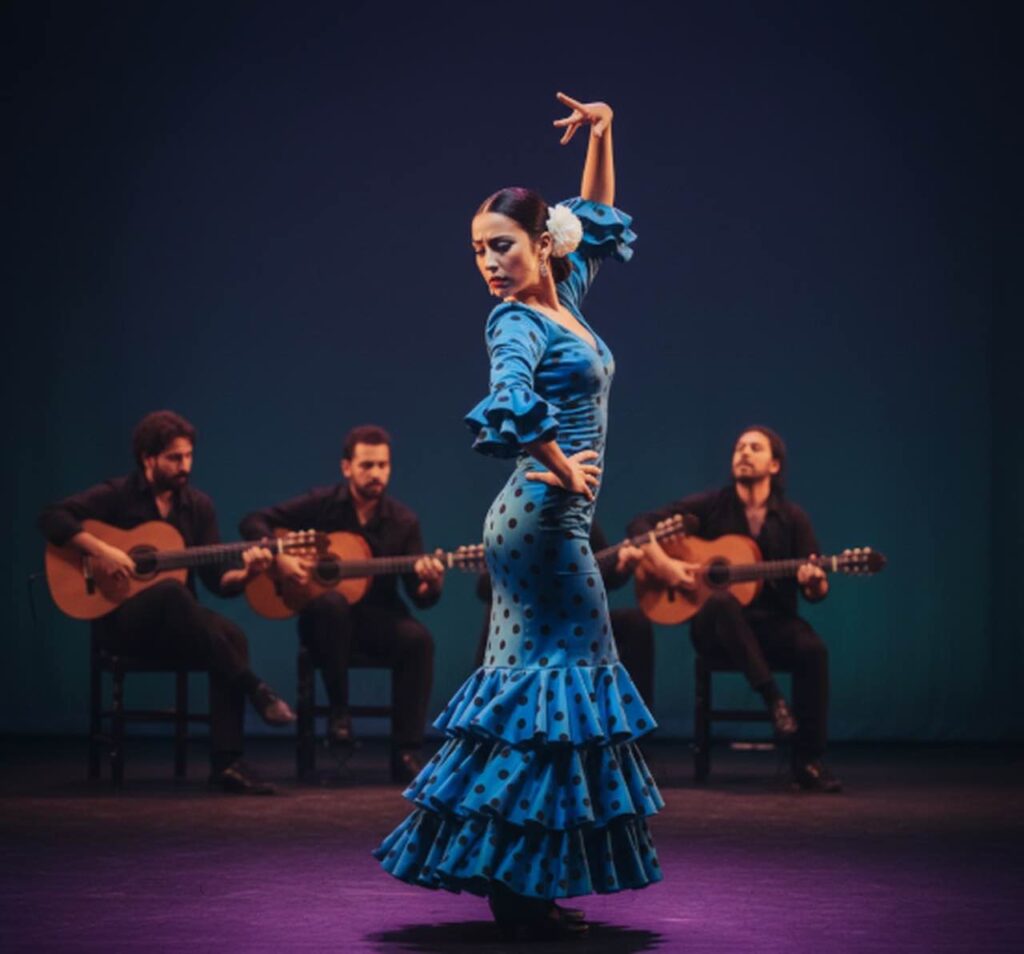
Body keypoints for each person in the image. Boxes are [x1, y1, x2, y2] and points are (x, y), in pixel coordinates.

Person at [376, 92, 663, 939]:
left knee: (544, 688)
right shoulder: (515, 324)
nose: (488, 264)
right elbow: (509, 405)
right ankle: (518, 882)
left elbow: (593, 217)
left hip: (539, 522)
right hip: (542, 522)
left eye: (500, 246)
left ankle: (520, 878)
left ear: (544, 245)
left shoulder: (564, 292)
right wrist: (555, 462)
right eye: (477, 251)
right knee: (563, 688)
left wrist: (605, 133)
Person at [38, 410, 295, 795]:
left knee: (233, 634)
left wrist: (249, 573)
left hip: (180, 626)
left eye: (189, 456)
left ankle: (227, 764)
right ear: (148, 458)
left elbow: (217, 581)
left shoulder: (197, 507)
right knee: (172, 594)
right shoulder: (117, 495)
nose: (184, 466)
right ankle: (254, 687)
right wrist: (104, 551)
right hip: (123, 624)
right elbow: (51, 517)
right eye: (175, 458)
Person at [628, 426, 842, 793]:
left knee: (813, 650)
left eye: (755, 448)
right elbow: (639, 525)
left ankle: (808, 761)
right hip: (715, 630)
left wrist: (815, 581)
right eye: (739, 447)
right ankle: (774, 699)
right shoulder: (712, 506)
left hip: (773, 625)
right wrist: (665, 565)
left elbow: (816, 590)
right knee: (723, 601)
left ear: (774, 465)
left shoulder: (793, 519)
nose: (743, 452)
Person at [239, 425, 443, 784]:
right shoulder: (322, 504)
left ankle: (407, 751)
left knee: (419, 640)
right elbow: (252, 521)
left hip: (378, 621)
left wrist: (431, 582)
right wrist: (279, 556)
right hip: (323, 624)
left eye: (383, 465)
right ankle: (339, 714)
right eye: (367, 465)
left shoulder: (403, 521)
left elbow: (419, 595)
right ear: (346, 467)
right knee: (332, 604)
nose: (376, 473)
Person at [472, 520, 654, 706]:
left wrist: (620, 569)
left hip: (576, 627)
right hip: (528, 633)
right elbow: (484, 587)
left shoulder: (581, 524)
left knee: (635, 624)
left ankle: (635, 727)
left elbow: (603, 577)